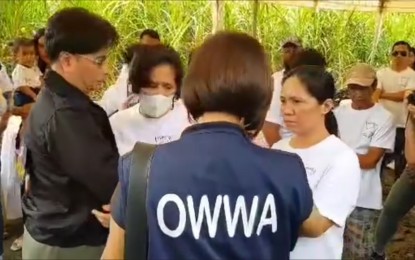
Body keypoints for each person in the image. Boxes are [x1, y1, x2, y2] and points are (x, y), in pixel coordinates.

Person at [102, 31, 314, 260]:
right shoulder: (287, 171)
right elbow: (299, 231)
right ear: (262, 92)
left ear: (192, 84)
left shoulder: (140, 167)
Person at [22, 7, 119, 259]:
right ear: (67, 61)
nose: (106, 70)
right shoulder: (66, 115)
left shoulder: (59, 99)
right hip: (68, 243)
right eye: (99, 61)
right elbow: (109, 180)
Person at [272, 66, 361, 259]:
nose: (287, 110)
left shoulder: (342, 158)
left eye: (297, 101)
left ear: (326, 106)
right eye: (283, 100)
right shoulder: (278, 148)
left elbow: (314, 225)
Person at [334, 64, 395, 259]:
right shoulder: (337, 113)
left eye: (362, 87)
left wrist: (335, 154)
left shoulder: (384, 117)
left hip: (364, 197)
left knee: (361, 253)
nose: (356, 93)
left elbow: (370, 160)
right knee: (334, 250)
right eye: (352, 87)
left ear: (374, 86)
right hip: (334, 194)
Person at [110, 44, 189, 156]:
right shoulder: (118, 124)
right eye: (152, 86)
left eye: (167, 87)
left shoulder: (190, 119)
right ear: (138, 85)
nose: (159, 93)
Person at [370, 90, 415, 260]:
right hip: (412, 174)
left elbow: (412, 159)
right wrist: (410, 118)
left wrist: (410, 125)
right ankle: (378, 251)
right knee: (390, 210)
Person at [374, 41, 415, 180]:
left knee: (400, 160)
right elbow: (375, 94)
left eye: (403, 53)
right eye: (395, 53)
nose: (398, 56)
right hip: (382, 124)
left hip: (401, 125)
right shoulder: (381, 73)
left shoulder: (413, 75)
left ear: (410, 56)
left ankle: (396, 192)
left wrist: (383, 94)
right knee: (378, 157)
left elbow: (405, 96)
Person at [262, 37, 302, 146]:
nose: (292, 54)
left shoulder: (305, 79)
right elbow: (270, 126)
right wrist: (281, 155)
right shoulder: (277, 80)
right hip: (286, 146)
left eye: (295, 50)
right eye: (287, 51)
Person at [11, 37, 43, 107]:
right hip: (23, 94)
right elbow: (22, 86)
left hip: (35, 91)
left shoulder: (35, 68)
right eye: (24, 54)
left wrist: (44, 89)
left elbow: (40, 79)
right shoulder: (19, 70)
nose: (29, 57)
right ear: (16, 56)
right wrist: (34, 95)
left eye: (31, 53)